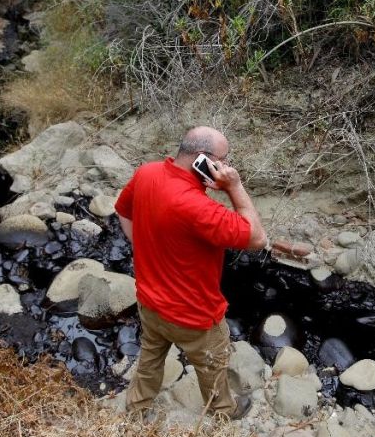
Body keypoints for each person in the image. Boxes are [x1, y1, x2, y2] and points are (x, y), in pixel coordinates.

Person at [114, 126, 268, 420]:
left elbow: (123, 210)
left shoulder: (146, 172)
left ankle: (136, 410)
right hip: (195, 317)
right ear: (202, 159)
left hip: (150, 303)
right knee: (212, 366)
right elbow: (257, 238)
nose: (226, 167)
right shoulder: (198, 208)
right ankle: (223, 412)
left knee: (149, 359)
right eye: (223, 160)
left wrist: (145, 247)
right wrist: (234, 187)